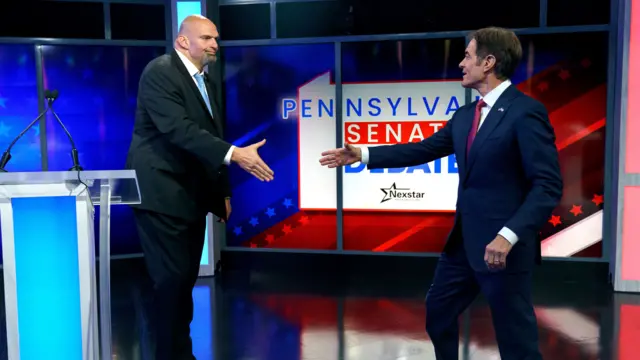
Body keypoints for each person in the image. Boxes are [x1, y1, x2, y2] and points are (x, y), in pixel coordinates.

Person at [319, 27, 562, 360]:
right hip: (463, 245)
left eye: (467, 55)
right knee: (438, 313)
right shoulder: (465, 116)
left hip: (504, 249)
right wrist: (362, 154)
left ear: (489, 62)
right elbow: (421, 149)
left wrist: (508, 236)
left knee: (515, 338)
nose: (461, 63)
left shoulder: (525, 112)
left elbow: (547, 185)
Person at [125, 14, 274, 360]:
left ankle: (182, 353)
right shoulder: (161, 72)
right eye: (207, 38)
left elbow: (211, 136)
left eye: (216, 39)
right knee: (171, 285)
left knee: (183, 284)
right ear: (183, 42)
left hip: (189, 198)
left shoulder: (205, 81)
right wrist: (236, 156)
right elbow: (178, 131)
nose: (214, 45)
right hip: (161, 195)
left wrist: (222, 192)